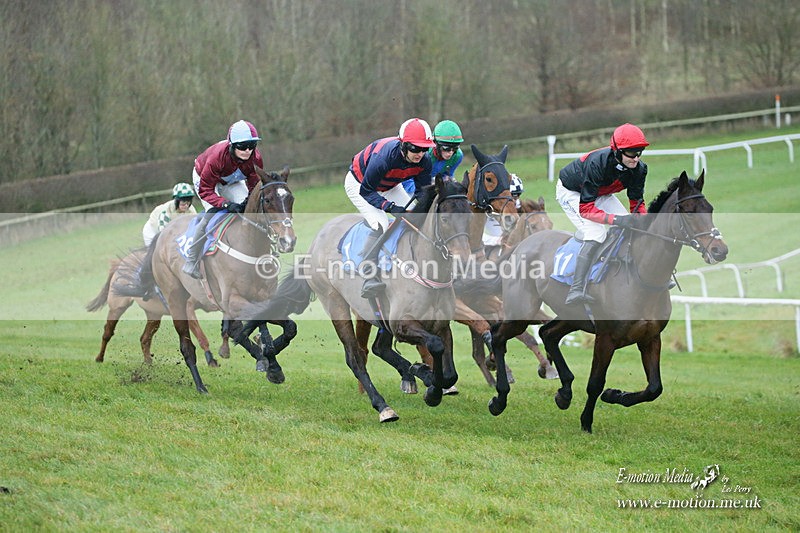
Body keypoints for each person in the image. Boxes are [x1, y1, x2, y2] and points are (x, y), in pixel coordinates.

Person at [556, 123, 649, 305]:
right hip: (572, 192)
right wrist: (615, 219)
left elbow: (636, 204)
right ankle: (576, 288)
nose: (636, 158)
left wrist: (645, 223)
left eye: (639, 152)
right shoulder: (597, 163)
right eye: (631, 153)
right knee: (597, 233)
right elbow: (586, 209)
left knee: (634, 227)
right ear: (617, 151)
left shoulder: (640, 169)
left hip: (601, 193)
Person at [344, 117, 435, 296]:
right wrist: (390, 207)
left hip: (390, 186)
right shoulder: (383, 158)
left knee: (417, 219)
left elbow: (422, 191)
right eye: (415, 148)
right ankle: (368, 272)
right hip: (360, 184)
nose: (420, 153)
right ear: (403, 145)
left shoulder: (424, 162)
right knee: (380, 223)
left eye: (425, 148)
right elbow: (367, 191)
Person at [182, 119, 265, 279]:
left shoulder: (255, 158)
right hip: (206, 181)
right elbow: (205, 190)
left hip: (231, 180)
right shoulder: (216, 158)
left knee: (248, 210)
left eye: (252, 145)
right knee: (213, 215)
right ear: (232, 145)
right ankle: (191, 260)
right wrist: (225, 203)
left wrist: (249, 202)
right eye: (242, 146)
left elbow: (254, 185)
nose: (247, 150)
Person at [402, 119, 464, 196]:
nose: (450, 153)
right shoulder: (422, 153)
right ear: (435, 143)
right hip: (407, 184)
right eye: (446, 148)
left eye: (455, 148)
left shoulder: (458, 156)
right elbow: (407, 179)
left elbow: (448, 175)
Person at [482, 173, 524, 247]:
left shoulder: (518, 204)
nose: (515, 200)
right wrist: (496, 240)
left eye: (518, 195)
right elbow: (474, 236)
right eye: (512, 196)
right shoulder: (486, 207)